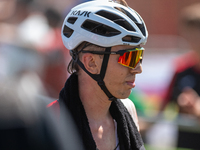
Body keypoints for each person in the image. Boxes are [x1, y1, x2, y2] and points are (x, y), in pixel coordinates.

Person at [48, 0, 148, 149]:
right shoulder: (51, 122)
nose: (138, 68)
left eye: (139, 56)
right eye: (129, 57)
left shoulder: (128, 110)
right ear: (91, 63)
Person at [162, 3, 200, 149]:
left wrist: (196, 108)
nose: (193, 38)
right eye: (190, 31)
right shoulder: (180, 68)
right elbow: (161, 110)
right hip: (184, 145)